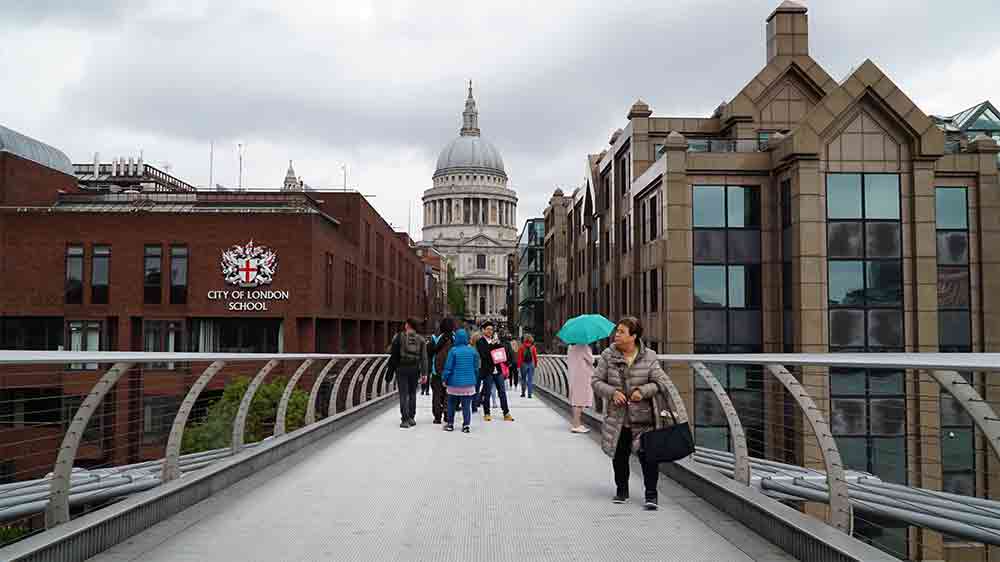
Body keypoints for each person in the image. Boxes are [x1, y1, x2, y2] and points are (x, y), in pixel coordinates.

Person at [591, 316, 674, 510]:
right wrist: (612, 393)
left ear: (634, 336)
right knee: (619, 456)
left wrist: (642, 391)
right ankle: (622, 490)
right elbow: (596, 381)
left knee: (649, 457)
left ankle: (651, 495)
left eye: (621, 332)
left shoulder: (650, 356)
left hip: (644, 417)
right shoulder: (607, 355)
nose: (616, 335)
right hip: (618, 417)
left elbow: (660, 382)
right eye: (617, 331)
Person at [385, 318, 428, 429]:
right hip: (415, 368)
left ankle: (404, 419)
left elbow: (391, 351)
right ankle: (411, 417)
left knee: (403, 394)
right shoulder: (421, 339)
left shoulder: (399, 337)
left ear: (407, 325)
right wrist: (424, 373)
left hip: (401, 368)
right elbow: (424, 358)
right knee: (412, 393)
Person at [475, 321, 515, 422]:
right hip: (488, 371)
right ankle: (487, 413)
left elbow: (501, 353)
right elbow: (484, 355)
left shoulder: (495, 340)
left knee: (502, 392)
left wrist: (499, 345)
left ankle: (506, 412)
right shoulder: (480, 342)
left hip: (498, 370)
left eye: (491, 330)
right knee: (487, 392)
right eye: (488, 329)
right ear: (483, 330)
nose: (490, 331)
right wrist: (493, 346)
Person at [441, 328, 480, 433]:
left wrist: (444, 379)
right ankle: (466, 425)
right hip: (468, 384)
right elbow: (476, 368)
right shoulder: (472, 351)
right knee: (466, 406)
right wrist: (474, 379)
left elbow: (448, 367)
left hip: (454, 383)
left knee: (451, 404)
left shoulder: (453, 351)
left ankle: (450, 424)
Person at [426, 318, 456, 424]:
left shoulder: (435, 338)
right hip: (451, 372)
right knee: (449, 394)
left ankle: (437, 416)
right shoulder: (454, 338)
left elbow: (429, 353)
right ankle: (447, 414)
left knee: (436, 394)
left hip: (436, 371)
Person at [567, 343, 594, 433]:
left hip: (573, 374)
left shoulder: (570, 347)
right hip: (583, 375)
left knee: (576, 399)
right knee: (580, 400)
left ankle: (576, 423)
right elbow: (591, 360)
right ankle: (576, 425)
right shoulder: (583, 346)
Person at [517, 335, 538, 399]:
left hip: (523, 364)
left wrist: (518, 366)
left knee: (523, 379)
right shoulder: (533, 347)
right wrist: (536, 364)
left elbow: (519, 358)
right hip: (531, 364)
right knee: (530, 379)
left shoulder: (521, 347)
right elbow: (535, 357)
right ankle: (529, 394)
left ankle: (523, 393)